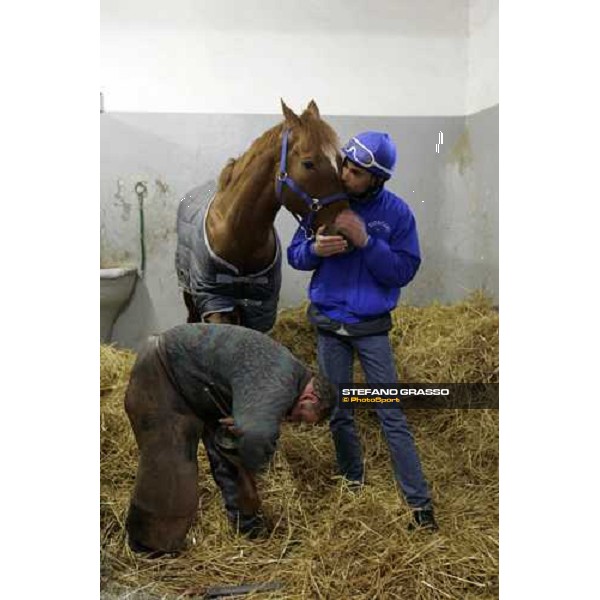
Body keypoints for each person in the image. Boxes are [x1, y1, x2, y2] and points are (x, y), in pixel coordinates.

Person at [287, 131, 437, 531]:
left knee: (390, 414)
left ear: (377, 179)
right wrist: (313, 251)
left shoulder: (398, 214)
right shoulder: (325, 202)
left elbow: (403, 271)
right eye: (346, 167)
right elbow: (294, 254)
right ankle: (352, 486)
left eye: (356, 172)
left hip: (371, 329)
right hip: (329, 325)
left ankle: (419, 505)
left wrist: (368, 241)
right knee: (340, 410)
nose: (347, 176)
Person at [124, 323, 336, 554]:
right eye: (303, 418)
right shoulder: (280, 384)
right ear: (310, 396)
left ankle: (246, 526)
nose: (296, 422)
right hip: (165, 371)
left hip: (203, 386)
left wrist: (245, 429)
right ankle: (149, 547)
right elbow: (258, 435)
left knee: (230, 448)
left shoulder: (290, 375)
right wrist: (253, 468)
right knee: (172, 469)